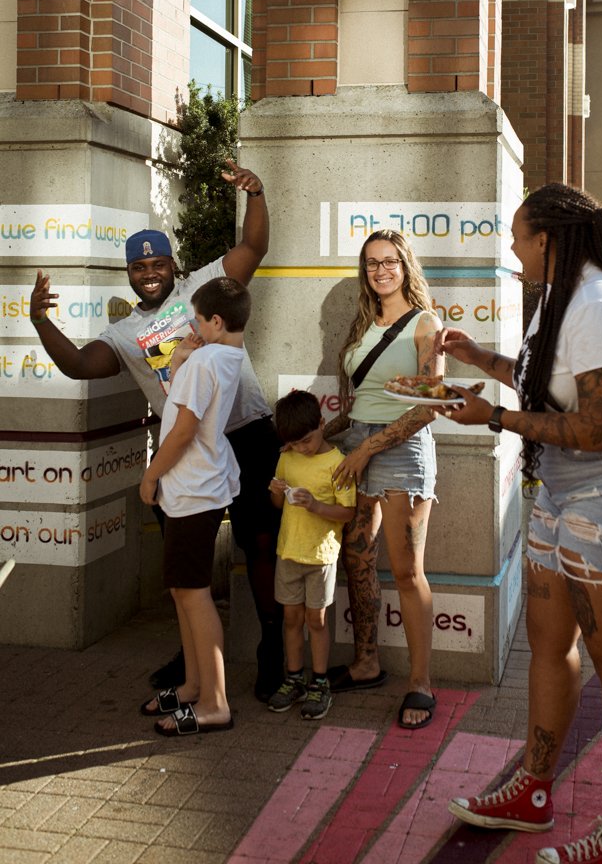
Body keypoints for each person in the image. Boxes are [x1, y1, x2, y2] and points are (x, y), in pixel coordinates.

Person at [441, 183, 602, 864]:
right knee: (548, 645)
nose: (513, 251)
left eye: (518, 238)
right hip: (560, 489)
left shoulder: (601, 304)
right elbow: (545, 381)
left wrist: (493, 418)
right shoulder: (559, 296)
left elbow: (599, 429)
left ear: (546, 238)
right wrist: (478, 361)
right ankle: (534, 791)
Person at [28, 159, 284, 701]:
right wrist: (41, 321)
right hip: (186, 453)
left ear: (173, 266)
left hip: (245, 431)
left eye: (158, 263)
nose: (149, 273)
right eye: (139, 267)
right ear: (129, 273)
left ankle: (273, 649)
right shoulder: (124, 333)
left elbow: (253, 247)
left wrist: (256, 193)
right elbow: (79, 364)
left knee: (260, 542)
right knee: (185, 565)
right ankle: (193, 657)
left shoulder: (203, 288)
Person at [324, 229, 443, 730]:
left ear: (405, 265)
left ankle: (421, 683)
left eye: (390, 261)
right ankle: (366, 663)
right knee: (357, 559)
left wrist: (368, 448)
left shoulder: (425, 324)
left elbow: (429, 406)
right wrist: (317, 437)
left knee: (407, 571)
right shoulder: (362, 323)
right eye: (372, 263)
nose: (381, 270)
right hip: (357, 444)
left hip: (401, 450)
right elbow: (360, 404)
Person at [138, 277, 250, 735]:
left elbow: (183, 430)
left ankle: (214, 702)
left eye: (199, 321)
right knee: (184, 590)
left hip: (192, 490)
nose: (193, 328)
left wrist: (151, 474)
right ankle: (193, 685)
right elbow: (186, 408)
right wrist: (179, 360)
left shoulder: (207, 360)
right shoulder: (220, 357)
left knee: (193, 593)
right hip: (197, 488)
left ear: (216, 321)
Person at [265, 390, 356, 721]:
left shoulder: (337, 463)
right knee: (291, 619)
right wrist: (276, 492)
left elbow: (347, 512)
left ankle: (319, 682)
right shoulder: (287, 458)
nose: (303, 448)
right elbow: (277, 505)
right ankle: (294, 679)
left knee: (316, 621)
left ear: (322, 423)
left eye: (307, 440)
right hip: (288, 552)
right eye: (295, 443)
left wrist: (316, 506)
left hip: (320, 556)